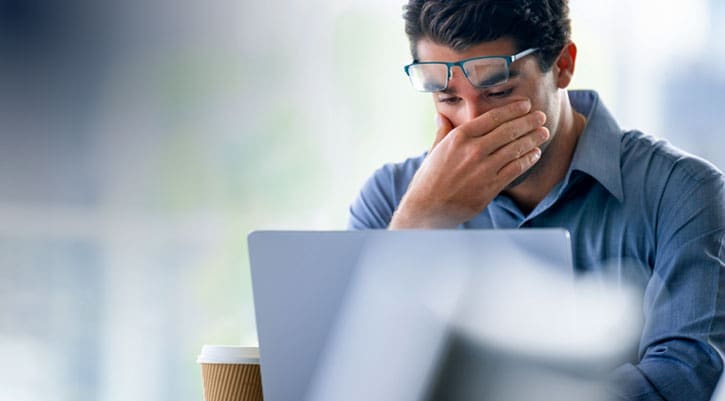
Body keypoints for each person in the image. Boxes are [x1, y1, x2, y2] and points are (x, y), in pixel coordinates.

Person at [347, 1, 725, 400]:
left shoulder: (684, 193)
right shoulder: (390, 199)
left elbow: (683, 378)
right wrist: (420, 223)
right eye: (448, 98)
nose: (474, 123)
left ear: (562, 64)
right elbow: (353, 378)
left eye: (498, 91)